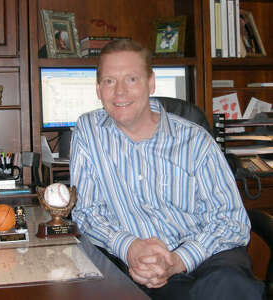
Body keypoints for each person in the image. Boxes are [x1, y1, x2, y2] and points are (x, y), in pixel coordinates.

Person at [70, 39, 265, 300]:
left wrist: (178, 260)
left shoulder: (195, 140)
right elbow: (87, 212)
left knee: (227, 286)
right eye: (109, 81)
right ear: (98, 88)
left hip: (207, 256)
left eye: (131, 79)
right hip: (138, 265)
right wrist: (130, 247)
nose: (119, 92)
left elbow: (231, 222)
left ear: (150, 83)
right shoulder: (88, 132)